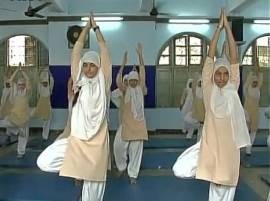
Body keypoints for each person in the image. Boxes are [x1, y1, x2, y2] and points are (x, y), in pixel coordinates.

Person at [173, 9, 251, 201]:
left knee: (227, 186)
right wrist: (218, 29)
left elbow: (234, 58)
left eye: (225, 74)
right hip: (211, 144)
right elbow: (209, 57)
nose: (222, 77)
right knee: (196, 176)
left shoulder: (233, 87)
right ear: (213, 75)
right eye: (218, 73)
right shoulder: (208, 89)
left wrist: (229, 30)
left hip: (231, 146)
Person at [37, 13, 112, 201]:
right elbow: (76, 52)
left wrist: (95, 29)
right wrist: (84, 29)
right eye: (85, 65)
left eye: (92, 65)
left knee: (92, 197)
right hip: (77, 140)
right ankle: (77, 167)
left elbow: (104, 50)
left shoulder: (104, 82)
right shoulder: (80, 81)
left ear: (98, 67)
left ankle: (83, 172)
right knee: (44, 161)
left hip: (97, 144)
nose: (88, 69)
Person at [114, 43, 148, 184]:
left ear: (138, 81)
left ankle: (133, 174)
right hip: (126, 124)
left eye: (135, 80)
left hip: (139, 125)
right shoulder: (125, 90)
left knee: (136, 151)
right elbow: (117, 81)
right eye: (131, 80)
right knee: (118, 146)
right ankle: (121, 166)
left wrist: (140, 55)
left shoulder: (141, 89)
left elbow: (143, 71)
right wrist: (122, 65)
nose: (133, 82)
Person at [0, 66, 31, 158]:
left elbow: (28, 80)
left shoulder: (27, 93)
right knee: (3, 122)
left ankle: (21, 152)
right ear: (17, 85)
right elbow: (10, 80)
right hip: (13, 117)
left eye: (23, 85)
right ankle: (16, 131)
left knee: (24, 135)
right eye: (19, 85)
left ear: (25, 86)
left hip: (24, 118)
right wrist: (17, 70)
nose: (21, 86)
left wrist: (23, 72)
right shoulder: (14, 92)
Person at [243, 62, 263, 155]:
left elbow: (260, 77)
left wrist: (258, 68)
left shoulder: (257, 89)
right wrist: (253, 71)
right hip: (247, 111)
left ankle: (248, 149)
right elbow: (248, 81)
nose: (255, 83)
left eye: (256, 82)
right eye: (254, 82)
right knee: (246, 130)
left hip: (255, 112)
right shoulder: (247, 89)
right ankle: (242, 147)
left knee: (254, 131)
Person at [32, 69, 54, 141]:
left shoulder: (49, 89)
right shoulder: (40, 87)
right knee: (32, 115)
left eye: (46, 82)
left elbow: (52, 80)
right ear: (42, 83)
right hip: (40, 106)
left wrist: (49, 72)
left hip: (47, 106)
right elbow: (37, 78)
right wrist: (40, 71)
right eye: (44, 82)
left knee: (48, 120)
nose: (45, 84)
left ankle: (45, 136)